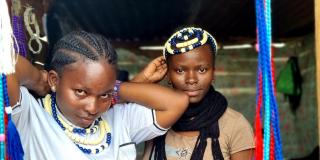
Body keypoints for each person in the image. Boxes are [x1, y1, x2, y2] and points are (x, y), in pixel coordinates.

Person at [6, 31, 189, 159]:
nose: (93, 108)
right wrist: (39, 80)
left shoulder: (119, 118)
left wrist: (119, 90)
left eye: (104, 95)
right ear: (54, 80)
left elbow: (176, 102)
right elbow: (6, 64)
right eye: (81, 92)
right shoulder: (32, 116)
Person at [140, 27, 255, 160]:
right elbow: (112, 111)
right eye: (180, 71)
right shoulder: (152, 119)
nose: (191, 80)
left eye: (202, 70)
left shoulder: (235, 125)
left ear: (213, 73)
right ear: (168, 75)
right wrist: (144, 78)